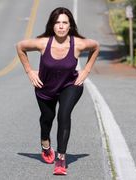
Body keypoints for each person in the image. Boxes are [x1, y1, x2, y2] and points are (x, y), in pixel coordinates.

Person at [16, 7, 100, 175]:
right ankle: (45, 145)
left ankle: (61, 159)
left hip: (70, 84)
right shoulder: (42, 43)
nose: (61, 26)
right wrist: (29, 71)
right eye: (57, 23)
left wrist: (86, 70)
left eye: (65, 23)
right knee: (47, 118)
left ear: (70, 26)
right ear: (52, 25)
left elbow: (96, 46)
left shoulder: (78, 44)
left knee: (64, 115)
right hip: (45, 86)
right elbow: (20, 46)